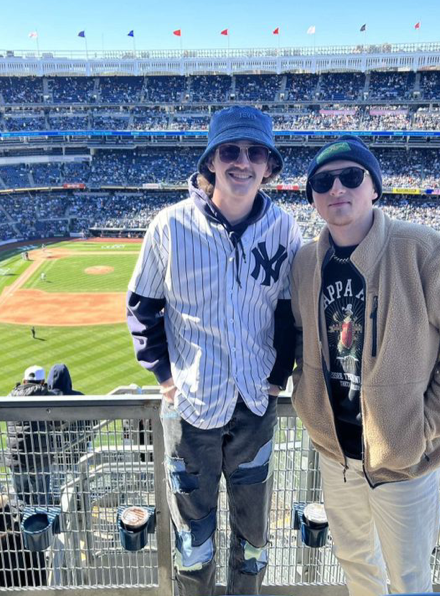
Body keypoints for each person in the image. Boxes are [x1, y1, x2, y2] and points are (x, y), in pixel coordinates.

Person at [289, 136, 440, 596]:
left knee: (409, 579)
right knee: (356, 564)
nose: (336, 187)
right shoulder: (306, 261)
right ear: (314, 198)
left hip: (404, 461)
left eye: (351, 176)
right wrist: (307, 397)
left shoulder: (421, 248)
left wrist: (423, 426)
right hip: (336, 453)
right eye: (323, 182)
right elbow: (303, 337)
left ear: (374, 188)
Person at [127, 106, 301, 596]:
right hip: (190, 413)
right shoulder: (169, 226)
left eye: (254, 152)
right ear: (211, 162)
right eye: (230, 151)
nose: (241, 162)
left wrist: (279, 375)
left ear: (268, 164)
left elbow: (290, 313)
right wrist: (164, 377)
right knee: (192, 542)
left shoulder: (285, 230)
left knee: (253, 539)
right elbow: (142, 309)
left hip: (253, 410)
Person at [7, 365, 60, 506]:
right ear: (43, 382)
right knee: (42, 501)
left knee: (20, 502)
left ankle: (22, 526)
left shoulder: (11, 396)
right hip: (40, 459)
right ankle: (41, 527)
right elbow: (59, 422)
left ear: (24, 381)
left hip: (16, 458)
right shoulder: (48, 396)